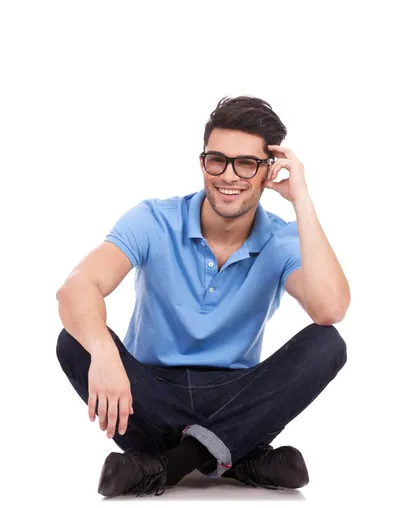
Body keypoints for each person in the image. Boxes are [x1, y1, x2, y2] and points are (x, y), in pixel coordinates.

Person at [56, 95, 349, 498]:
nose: (229, 175)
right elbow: (77, 287)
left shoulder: (282, 240)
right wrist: (104, 354)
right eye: (218, 160)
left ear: (268, 170)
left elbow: (330, 308)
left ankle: (169, 465)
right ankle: (240, 458)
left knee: (327, 343)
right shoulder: (154, 220)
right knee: (75, 338)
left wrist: (302, 199)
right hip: (150, 395)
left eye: (246, 163)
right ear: (202, 163)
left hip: (236, 397)